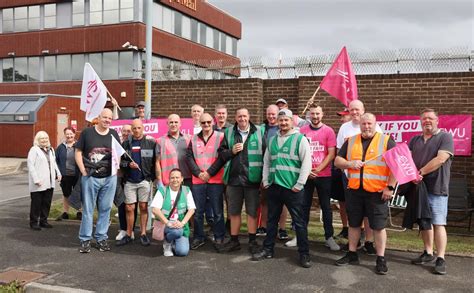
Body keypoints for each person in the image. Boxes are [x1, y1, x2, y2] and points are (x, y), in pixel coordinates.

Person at [334, 113, 396, 275]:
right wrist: (349, 163)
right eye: (363, 124)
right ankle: (352, 253)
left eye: (369, 123)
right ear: (359, 124)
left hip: (377, 192)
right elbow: (337, 161)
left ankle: (380, 258)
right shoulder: (351, 140)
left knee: (378, 226)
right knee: (354, 224)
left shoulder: (386, 140)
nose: (366, 126)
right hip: (354, 190)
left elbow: (396, 166)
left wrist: (390, 187)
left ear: (375, 124)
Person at [252, 109, 312, 268]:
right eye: (281, 120)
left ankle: (304, 253)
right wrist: (265, 180)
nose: (283, 123)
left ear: (292, 121)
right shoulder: (272, 140)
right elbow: (267, 162)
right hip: (274, 187)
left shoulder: (300, 139)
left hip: (293, 189)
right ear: (277, 122)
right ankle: (268, 249)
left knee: (299, 222)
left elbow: (307, 163)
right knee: (271, 221)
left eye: (286, 120)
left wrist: (299, 184)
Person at [409, 108, 453, 275]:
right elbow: (407, 159)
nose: (427, 121)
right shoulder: (415, 139)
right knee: (424, 221)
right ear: (420, 121)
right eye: (424, 119)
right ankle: (428, 253)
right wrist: (410, 174)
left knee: (438, 222)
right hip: (419, 188)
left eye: (430, 118)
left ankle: (441, 258)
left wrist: (420, 173)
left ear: (437, 120)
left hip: (437, 187)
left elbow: (441, 159)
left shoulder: (445, 137)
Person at [336, 100, 382, 255]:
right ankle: (353, 245)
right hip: (350, 178)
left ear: (363, 110)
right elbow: (339, 153)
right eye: (351, 110)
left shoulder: (377, 129)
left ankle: (369, 242)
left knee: (369, 214)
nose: (354, 112)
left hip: (371, 179)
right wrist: (349, 164)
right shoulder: (344, 128)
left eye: (357, 109)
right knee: (354, 213)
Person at [217, 108, 265, 254]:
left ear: (249, 117)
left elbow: (266, 155)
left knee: (251, 212)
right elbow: (221, 154)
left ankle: (252, 241)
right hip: (234, 179)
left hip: (253, 179)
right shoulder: (229, 132)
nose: (242, 119)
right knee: (234, 212)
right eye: (239, 116)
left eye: (245, 116)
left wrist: (264, 177)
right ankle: (234, 241)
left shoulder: (259, 131)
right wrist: (231, 151)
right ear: (236, 118)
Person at [75, 108, 120, 253]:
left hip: (109, 178)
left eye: (110, 118)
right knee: (88, 210)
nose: (107, 120)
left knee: (105, 209)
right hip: (90, 177)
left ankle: (101, 238)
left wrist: (115, 169)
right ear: (99, 117)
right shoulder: (87, 133)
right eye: (105, 117)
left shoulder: (113, 134)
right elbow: (78, 152)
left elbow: (118, 153)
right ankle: (85, 239)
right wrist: (83, 170)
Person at [298, 104, 339, 251]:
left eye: (317, 114)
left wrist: (318, 169)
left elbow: (331, 154)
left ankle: (329, 237)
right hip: (306, 175)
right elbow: (299, 152)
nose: (315, 116)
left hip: (324, 175)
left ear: (322, 114)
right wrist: (307, 171)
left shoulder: (328, 131)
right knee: (303, 206)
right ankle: (300, 236)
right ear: (309, 115)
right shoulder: (302, 131)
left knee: (326, 207)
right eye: (312, 114)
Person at [186, 113, 226, 250]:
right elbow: (189, 158)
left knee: (217, 211)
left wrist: (209, 173)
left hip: (215, 179)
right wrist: (198, 173)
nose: (206, 125)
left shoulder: (220, 137)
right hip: (198, 180)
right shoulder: (193, 139)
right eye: (203, 123)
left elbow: (222, 158)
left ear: (213, 122)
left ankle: (219, 236)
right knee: (198, 212)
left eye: (209, 122)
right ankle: (198, 237)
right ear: (200, 124)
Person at [116, 119, 159, 247]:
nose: (136, 130)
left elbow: (155, 162)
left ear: (143, 128)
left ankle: (144, 233)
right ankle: (129, 234)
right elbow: (120, 162)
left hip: (144, 180)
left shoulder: (150, 143)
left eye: (138, 128)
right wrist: (128, 164)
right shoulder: (125, 144)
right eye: (134, 128)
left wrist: (150, 178)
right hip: (129, 181)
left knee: (144, 207)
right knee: (129, 208)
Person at [257, 104, 289, 239]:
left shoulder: (284, 128)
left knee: (283, 202)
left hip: (281, 171)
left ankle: (282, 228)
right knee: (264, 200)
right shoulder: (261, 129)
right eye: (268, 114)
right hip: (265, 169)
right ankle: (263, 226)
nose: (271, 116)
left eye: (273, 114)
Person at [151, 168, 196, 257]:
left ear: (182, 178)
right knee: (177, 232)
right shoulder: (162, 190)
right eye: (172, 178)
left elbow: (192, 209)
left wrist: (182, 223)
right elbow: (155, 209)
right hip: (165, 224)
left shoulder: (186, 190)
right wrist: (168, 223)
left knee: (182, 252)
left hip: (180, 224)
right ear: (169, 179)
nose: (175, 180)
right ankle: (167, 243)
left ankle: (174, 241)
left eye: (177, 177)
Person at [27, 131, 61, 230]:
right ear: (37, 140)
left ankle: (43, 221)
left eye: (46, 138)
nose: (44, 140)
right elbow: (30, 165)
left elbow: (54, 163)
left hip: (49, 181)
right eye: (42, 138)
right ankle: (33, 222)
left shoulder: (51, 150)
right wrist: (36, 179)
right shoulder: (34, 150)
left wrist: (58, 173)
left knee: (46, 202)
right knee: (36, 203)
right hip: (38, 182)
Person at [156, 114, 192, 188]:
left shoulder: (189, 138)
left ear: (180, 124)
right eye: (171, 122)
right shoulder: (160, 141)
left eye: (176, 122)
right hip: (170, 180)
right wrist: (159, 180)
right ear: (167, 124)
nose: (173, 124)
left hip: (187, 178)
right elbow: (157, 163)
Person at [331, 107, 351, 239]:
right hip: (341, 170)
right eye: (341, 116)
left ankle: (357, 230)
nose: (341, 118)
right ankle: (345, 228)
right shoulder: (343, 129)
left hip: (355, 172)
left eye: (344, 116)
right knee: (342, 201)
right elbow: (338, 149)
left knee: (354, 204)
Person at [115, 124, 137, 241]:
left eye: (129, 131)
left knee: (132, 205)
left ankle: (131, 230)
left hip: (131, 179)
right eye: (124, 131)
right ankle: (123, 229)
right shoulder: (118, 145)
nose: (126, 133)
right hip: (119, 178)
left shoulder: (134, 144)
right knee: (121, 203)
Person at [55, 127, 81, 221]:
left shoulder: (79, 146)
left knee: (78, 194)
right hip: (65, 175)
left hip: (77, 174)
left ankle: (80, 212)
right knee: (66, 194)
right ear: (64, 135)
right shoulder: (60, 147)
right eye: (67, 134)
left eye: (71, 134)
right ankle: (65, 213)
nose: (69, 136)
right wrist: (57, 173)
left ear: (74, 134)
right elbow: (56, 161)